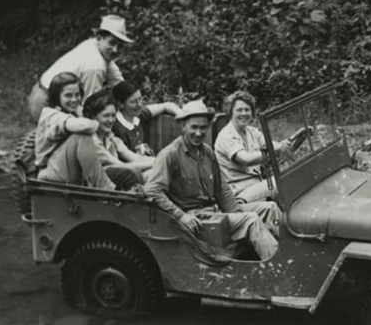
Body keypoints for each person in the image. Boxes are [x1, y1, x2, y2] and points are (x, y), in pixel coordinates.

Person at [144, 100, 281, 264]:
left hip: (216, 212)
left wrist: (235, 213)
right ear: (183, 126)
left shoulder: (207, 152)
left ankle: (289, 253)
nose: (198, 133)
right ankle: (279, 268)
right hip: (197, 220)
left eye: (203, 128)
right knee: (251, 221)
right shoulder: (170, 154)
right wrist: (181, 215)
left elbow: (221, 189)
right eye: (194, 127)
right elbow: (152, 190)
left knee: (270, 208)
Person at [28, 15, 133, 121]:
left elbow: (120, 85)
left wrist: (132, 103)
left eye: (120, 45)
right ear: (99, 38)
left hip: (43, 92)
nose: (115, 50)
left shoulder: (96, 46)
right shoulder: (95, 65)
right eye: (112, 43)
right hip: (47, 102)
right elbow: (90, 107)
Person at [34, 72, 117, 190]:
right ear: (57, 96)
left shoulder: (73, 112)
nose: (74, 100)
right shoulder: (50, 115)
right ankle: (105, 187)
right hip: (50, 174)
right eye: (68, 95)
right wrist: (95, 121)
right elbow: (84, 126)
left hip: (69, 170)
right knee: (81, 136)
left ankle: (105, 185)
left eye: (77, 95)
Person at [214, 90, 292, 203]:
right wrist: (274, 149)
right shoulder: (226, 136)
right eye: (239, 110)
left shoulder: (251, 131)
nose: (244, 113)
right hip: (238, 193)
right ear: (230, 112)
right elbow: (246, 159)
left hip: (256, 185)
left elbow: (270, 144)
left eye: (247, 109)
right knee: (279, 182)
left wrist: (283, 145)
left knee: (289, 177)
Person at [81, 89, 155, 188]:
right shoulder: (91, 141)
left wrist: (162, 160)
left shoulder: (109, 137)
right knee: (154, 175)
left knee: (157, 173)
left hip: (117, 180)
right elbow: (121, 167)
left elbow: (134, 157)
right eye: (106, 116)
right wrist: (158, 163)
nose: (111, 120)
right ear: (93, 117)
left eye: (113, 115)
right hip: (98, 188)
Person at [111, 81, 181, 156]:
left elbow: (166, 105)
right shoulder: (117, 128)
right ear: (120, 104)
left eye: (140, 99)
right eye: (133, 102)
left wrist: (183, 116)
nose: (139, 104)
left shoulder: (138, 116)